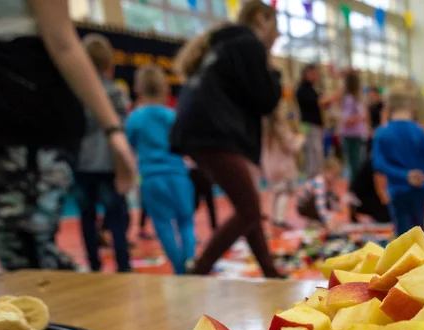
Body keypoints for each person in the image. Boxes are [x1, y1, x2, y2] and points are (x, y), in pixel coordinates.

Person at [0, 0, 136, 272]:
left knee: (26, 249)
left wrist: (113, 131)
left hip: (22, 107)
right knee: (13, 246)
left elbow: (61, 39)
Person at [171, 0, 283, 278]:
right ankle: (197, 272)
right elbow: (266, 100)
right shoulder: (248, 44)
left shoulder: (221, 45)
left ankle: (269, 271)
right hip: (213, 131)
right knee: (248, 209)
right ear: (262, 18)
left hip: (197, 130)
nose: (276, 37)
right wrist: (274, 72)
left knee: (249, 209)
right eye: (276, 29)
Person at [126, 65, 197, 274]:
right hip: (178, 174)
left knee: (163, 224)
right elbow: (187, 143)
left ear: (137, 89)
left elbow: (128, 147)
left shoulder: (135, 118)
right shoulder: (172, 116)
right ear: (166, 89)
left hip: (151, 178)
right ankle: (191, 260)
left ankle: (179, 268)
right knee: (186, 221)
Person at [73, 34, 132, 273]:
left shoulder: (76, 95)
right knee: (116, 217)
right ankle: (123, 265)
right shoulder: (114, 92)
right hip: (109, 164)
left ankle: (94, 264)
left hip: (83, 164)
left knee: (87, 217)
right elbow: (122, 128)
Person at [372, 89, 424, 235]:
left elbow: (377, 163)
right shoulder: (420, 132)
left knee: (402, 234)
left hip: (397, 190)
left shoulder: (382, 133)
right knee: (420, 232)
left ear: (388, 108)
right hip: (420, 188)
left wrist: (404, 175)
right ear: (411, 107)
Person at [262, 100, 304, 229]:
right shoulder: (280, 127)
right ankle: (279, 219)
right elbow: (291, 146)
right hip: (283, 166)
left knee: (275, 192)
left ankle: (274, 217)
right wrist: (300, 139)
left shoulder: (265, 128)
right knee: (285, 192)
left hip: (270, 165)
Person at [295, 64, 332, 179]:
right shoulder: (303, 90)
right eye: (313, 73)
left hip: (314, 125)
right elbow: (318, 103)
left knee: (317, 154)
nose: (315, 76)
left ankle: (315, 180)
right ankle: (312, 182)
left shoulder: (312, 89)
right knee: (313, 154)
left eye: (316, 73)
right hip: (308, 125)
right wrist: (335, 97)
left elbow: (323, 105)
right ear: (306, 74)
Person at [296, 157, 342, 228]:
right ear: (326, 171)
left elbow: (333, 202)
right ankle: (313, 221)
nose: (335, 178)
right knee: (321, 199)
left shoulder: (329, 183)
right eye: (333, 175)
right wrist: (327, 221)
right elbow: (320, 204)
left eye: (336, 175)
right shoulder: (319, 182)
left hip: (315, 204)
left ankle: (319, 220)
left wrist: (333, 215)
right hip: (303, 206)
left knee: (332, 197)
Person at [339, 71, 368, 177]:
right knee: (354, 164)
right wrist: (361, 117)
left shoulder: (355, 99)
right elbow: (346, 120)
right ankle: (355, 187)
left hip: (356, 134)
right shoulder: (349, 99)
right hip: (351, 135)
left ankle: (355, 185)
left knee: (357, 162)